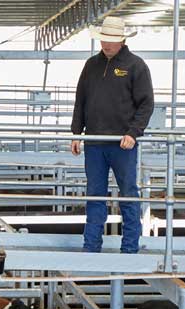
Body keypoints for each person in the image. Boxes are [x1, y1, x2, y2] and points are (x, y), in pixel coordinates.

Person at [70, 16, 153, 255]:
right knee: (95, 193)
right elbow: (80, 102)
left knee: (128, 193)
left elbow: (146, 104)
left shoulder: (136, 66)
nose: (106, 44)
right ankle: (91, 246)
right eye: (104, 39)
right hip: (94, 142)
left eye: (111, 40)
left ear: (122, 40)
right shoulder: (91, 65)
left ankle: (129, 248)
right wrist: (77, 133)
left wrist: (133, 132)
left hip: (122, 144)